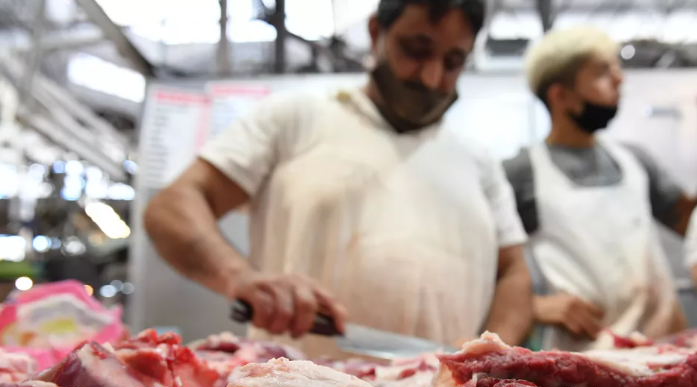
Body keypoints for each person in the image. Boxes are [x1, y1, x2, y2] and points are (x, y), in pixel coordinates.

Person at [144, 0, 532, 359]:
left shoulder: (477, 159)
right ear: (376, 33)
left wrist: (491, 354)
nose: (432, 77)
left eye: (453, 62)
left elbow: (513, 271)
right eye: (416, 51)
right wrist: (238, 276)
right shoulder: (297, 117)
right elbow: (173, 206)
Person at [504, 26, 696, 352]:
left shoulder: (635, 161)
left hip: (659, 345)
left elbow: (688, 221)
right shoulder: (522, 173)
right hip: (584, 356)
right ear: (560, 95)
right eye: (602, 72)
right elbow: (488, 271)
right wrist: (535, 306)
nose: (619, 79)